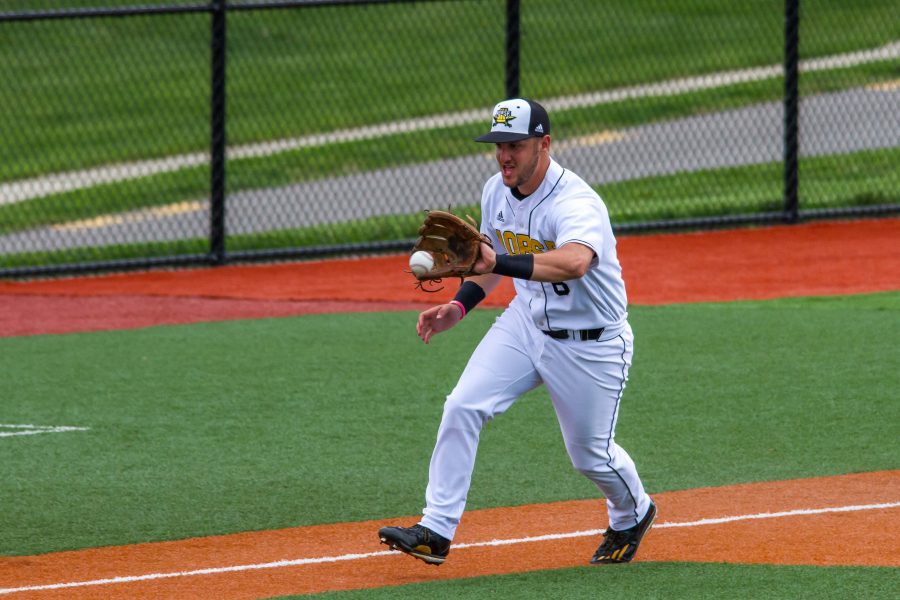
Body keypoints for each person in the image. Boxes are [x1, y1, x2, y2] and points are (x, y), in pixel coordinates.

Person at [379, 98, 655, 566]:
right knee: (462, 405)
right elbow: (484, 265)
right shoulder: (495, 191)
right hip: (526, 325)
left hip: (591, 343)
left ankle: (633, 512)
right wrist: (457, 306)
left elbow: (575, 261)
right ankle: (436, 530)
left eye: (516, 145)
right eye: (499, 145)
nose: (505, 156)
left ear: (543, 145)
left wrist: (498, 262)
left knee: (590, 456)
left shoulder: (576, 201)